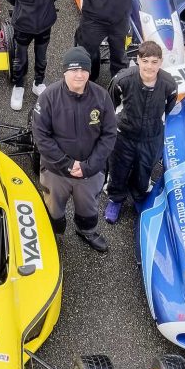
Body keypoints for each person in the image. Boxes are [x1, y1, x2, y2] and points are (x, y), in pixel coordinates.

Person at [35, 48, 118, 252]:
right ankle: (54, 233)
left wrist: (89, 166)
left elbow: (109, 135)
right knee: (53, 208)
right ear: (64, 72)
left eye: (83, 69)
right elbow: (41, 137)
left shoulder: (102, 96)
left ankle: (86, 231)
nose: (79, 74)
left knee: (88, 208)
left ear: (89, 72)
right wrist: (68, 164)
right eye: (73, 70)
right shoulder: (48, 97)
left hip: (90, 171)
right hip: (56, 171)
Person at [105, 39, 181, 223]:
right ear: (138, 59)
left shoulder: (169, 84)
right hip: (123, 136)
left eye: (154, 62)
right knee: (118, 169)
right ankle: (115, 199)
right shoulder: (122, 80)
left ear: (161, 63)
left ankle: (139, 197)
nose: (149, 66)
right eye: (145, 61)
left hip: (151, 138)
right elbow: (110, 103)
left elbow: (169, 110)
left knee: (144, 170)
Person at [4, 0, 67, 111]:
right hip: (23, 24)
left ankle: (38, 83)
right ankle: (18, 86)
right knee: (20, 58)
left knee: (42, 57)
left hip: (45, 24)